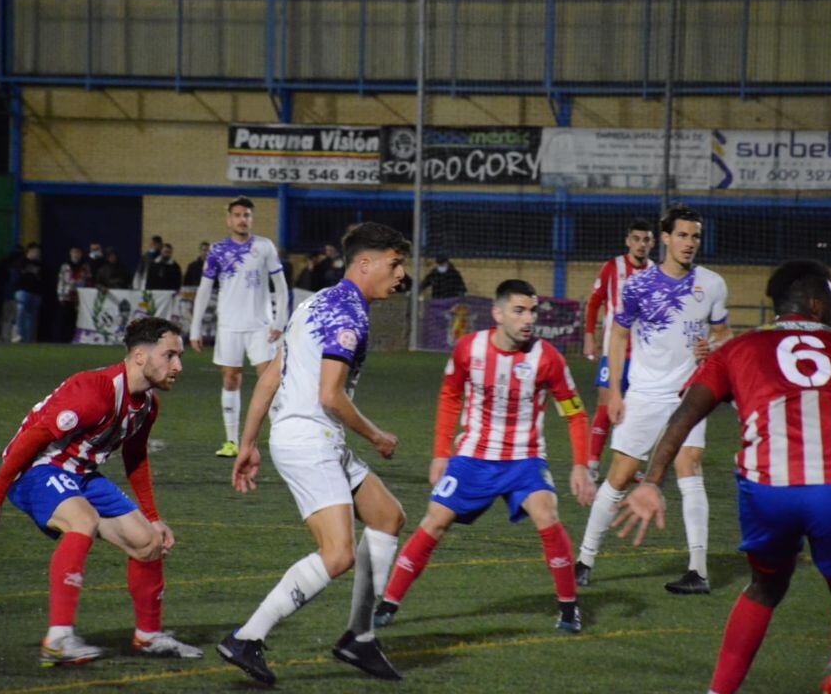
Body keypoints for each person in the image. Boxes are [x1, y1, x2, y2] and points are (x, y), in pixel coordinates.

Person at [613, 260, 831, 694]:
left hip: (769, 490)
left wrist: (653, 480)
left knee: (765, 587)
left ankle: (718, 692)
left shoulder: (737, 349)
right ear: (813, 302)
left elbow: (684, 415)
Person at [218, 222, 411, 685]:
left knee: (387, 517)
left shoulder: (314, 302)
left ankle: (358, 639)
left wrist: (247, 443)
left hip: (309, 436)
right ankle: (248, 637)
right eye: (395, 263)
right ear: (366, 264)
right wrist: (377, 436)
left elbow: (269, 377)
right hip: (311, 439)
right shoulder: (348, 315)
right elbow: (330, 396)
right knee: (338, 553)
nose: (401, 274)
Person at [0, 317, 203, 665]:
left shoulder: (147, 405)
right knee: (83, 520)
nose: (178, 366)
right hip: (35, 468)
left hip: (80, 472)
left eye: (179, 356)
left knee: (147, 542)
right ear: (140, 355)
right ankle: (58, 639)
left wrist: (153, 517)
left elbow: (135, 457)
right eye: (170, 355)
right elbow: (34, 438)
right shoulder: (96, 391)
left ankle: (149, 636)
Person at [373, 279, 597, 635]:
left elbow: (574, 412)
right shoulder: (469, 349)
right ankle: (388, 604)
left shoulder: (548, 358)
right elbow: (449, 397)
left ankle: (569, 609)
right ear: (498, 314)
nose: (528, 319)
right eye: (519, 311)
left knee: (546, 513)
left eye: (533, 311)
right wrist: (440, 454)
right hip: (473, 457)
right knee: (434, 519)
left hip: (525, 459)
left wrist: (581, 465)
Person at [575, 204, 731, 593]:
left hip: (690, 396)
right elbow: (619, 336)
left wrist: (711, 346)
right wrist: (614, 391)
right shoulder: (638, 285)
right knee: (620, 477)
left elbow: (724, 335)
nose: (689, 243)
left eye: (695, 236)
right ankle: (584, 559)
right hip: (643, 394)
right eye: (682, 235)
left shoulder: (712, 284)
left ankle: (698, 570)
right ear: (665, 238)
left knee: (690, 471)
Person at [191, 197, 289, 458]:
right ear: (229, 219)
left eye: (246, 215)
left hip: (261, 326)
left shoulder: (264, 246)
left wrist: (280, 321)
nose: (242, 219)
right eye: (237, 215)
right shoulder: (217, 251)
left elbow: (281, 287)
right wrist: (194, 328)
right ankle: (231, 442)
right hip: (229, 327)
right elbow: (204, 290)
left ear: (251, 219)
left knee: (268, 381)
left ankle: (282, 438)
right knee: (230, 378)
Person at [581, 219, 656, 481]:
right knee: (605, 404)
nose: (641, 244)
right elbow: (593, 304)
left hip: (644, 355)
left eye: (646, 240)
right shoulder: (612, 267)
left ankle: (629, 465)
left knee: (635, 410)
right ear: (628, 241)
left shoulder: (656, 272)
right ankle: (591, 464)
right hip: (613, 351)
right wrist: (589, 337)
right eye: (636, 239)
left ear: (652, 243)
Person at [55, 246, 92, 342]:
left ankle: (73, 339)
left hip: (80, 298)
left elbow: (88, 280)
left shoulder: (85, 267)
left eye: (78, 253)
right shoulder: (65, 266)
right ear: (70, 254)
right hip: (66, 296)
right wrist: (61, 296)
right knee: (64, 319)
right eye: (74, 252)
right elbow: (61, 281)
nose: (76, 255)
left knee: (75, 320)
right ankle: (62, 340)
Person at [14, 243, 45, 343]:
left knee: (32, 317)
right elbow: (19, 275)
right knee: (21, 310)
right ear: (29, 251)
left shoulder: (40, 264)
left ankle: (29, 339)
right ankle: (20, 334)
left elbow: (42, 278)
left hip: (36, 292)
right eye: (35, 251)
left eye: (38, 252)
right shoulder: (21, 261)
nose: (37, 253)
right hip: (23, 291)